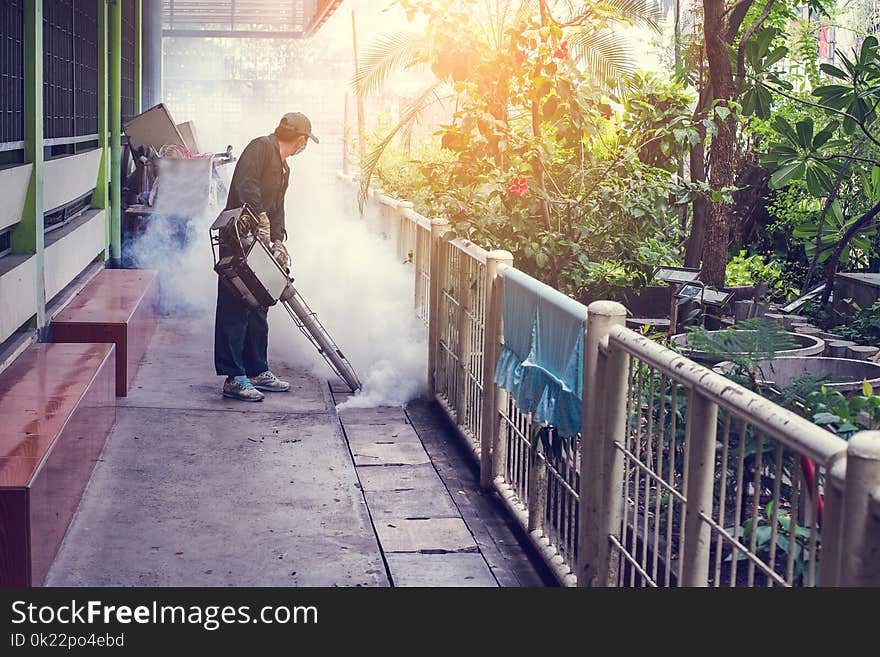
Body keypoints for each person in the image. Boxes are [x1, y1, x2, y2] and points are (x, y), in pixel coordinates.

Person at [214, 112, 319, 401]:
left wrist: (277, 238)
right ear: (300, 140)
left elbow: (279, 208)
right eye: (304, 142)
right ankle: (234, 377)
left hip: (259, 243)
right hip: (238, 237)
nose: (303, 146)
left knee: (260, 303)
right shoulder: (260, 147)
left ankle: (257, 370)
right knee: (235, 305)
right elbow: (247, 186)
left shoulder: (284, 168)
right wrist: (260, 217)